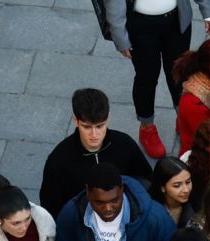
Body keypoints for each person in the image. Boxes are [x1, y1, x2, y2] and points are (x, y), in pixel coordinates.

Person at [107, 0, 210, 159]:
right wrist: (119, 35)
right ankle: (147, 127)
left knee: (181, 73)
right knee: (146, 77)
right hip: (140, 25)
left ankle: (183, 116)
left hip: (176, 21)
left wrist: (207, 11)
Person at [40, 89, 156, 217]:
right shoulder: (59, 161)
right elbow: (51, 208)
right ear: (75, 120)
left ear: (108, 117)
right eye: (87, 127)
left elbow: (146, 181)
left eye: (100, 126)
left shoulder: (125, 145)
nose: (94, 135)